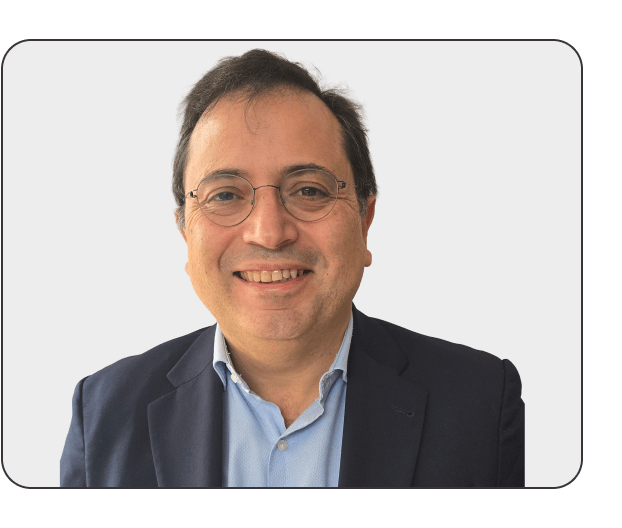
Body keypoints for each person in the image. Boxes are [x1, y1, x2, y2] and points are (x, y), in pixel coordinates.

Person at [60, 49, 524, 487]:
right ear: (185, 230)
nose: (269, 232)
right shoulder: (102, 415)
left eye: (309, 191)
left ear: (364, 221)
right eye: (225, 195)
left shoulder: (481, 405)